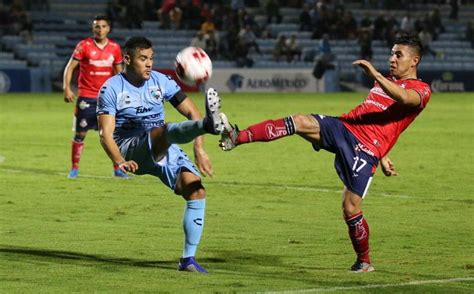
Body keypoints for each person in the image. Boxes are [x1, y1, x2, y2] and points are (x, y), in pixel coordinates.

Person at [219, 34, 431, 273]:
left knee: (350, 208)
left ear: (414, 61)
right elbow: (381, 117)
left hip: (365, 149)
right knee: (298, 121)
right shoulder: (386, 81)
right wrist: (385, 155)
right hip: (344, 127)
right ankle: (236, 137)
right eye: (391, 53)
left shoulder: (421, 90)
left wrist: (376, 76)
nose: (392, 59)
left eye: (398, 54)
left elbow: (403, 99)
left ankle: (364, 261)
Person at [96, 36, 226, 273]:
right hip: (132, 147)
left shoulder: (161, 81)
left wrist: (199, 147)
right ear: (127, 59)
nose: (149, 64)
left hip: (164, 146)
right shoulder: (111, 88)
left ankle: (188, 260)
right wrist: (119, 160)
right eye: (143, 59)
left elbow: (191, 111)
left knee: (195, 190)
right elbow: (105, 133)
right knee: (163, 130)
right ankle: (209, 125)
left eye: (151, 58)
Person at [63, 15, 125, 179]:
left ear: (108, 28)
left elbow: (119, 73)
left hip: (107, 97)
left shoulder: (115, 48)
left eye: (103, 26)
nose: (100, 30)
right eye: (97, 26)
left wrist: (123, 93)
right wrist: (67, 88)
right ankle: (74, 168)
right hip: (86, 97)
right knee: (80, 133)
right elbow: (70, 68)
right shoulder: (84, 46)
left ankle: (118, 168)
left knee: (111, 134)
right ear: (93, 28)